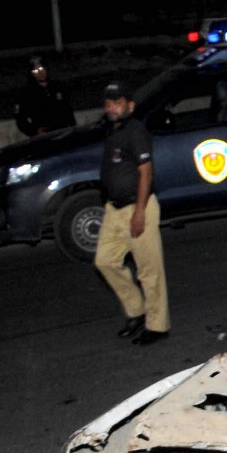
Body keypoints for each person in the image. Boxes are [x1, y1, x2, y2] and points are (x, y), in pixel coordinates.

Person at [95, 81, 169, 345]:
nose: (112, 107)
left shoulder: (136, 131)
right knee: (104, 261)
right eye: (108, 103)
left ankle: (157, 325)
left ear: (130, 105)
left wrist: (139, 212)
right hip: (114, 210)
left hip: (138, 208)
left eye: (117, 102)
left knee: (149, 270)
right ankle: (136, 311)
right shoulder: (110, 130)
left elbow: (145, 172)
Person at [13, 55, 75, 138]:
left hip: (63, 131)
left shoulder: (57, 87)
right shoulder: (26, 93)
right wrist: (34, 131)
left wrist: (72, 128)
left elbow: (68, 110)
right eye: (36, 71)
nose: (40, 73)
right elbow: (21, 120)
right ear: (31, 73)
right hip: (44, 134)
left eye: (41, 69)